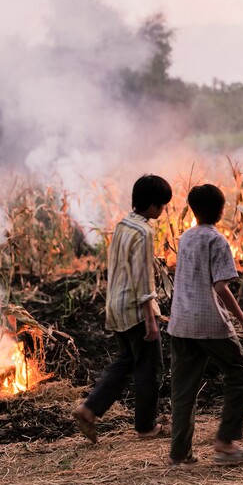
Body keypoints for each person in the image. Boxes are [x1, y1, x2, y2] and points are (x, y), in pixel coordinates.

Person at [72, 174, 172, 444]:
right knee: (149, 368)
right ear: (152, 205)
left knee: (127, 361)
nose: (163, 210)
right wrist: (151, 319)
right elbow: (142, 279)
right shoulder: (143, 232)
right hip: (135, 309)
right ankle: (146, 426)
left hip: (115, 306)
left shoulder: (122, 225)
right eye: (162, 205)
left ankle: (89, 409)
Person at [167, 183, 243, 466]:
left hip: (180, 322)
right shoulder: (217, 241)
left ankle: (179, 454)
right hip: (208, 321)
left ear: (193, 210)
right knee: (241, 371)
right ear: (220, 211)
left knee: (183, 391)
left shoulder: (185, 238)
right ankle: (225, 443)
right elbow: (220, 286)